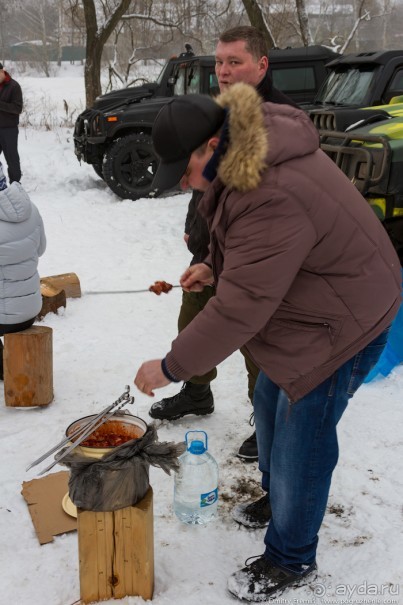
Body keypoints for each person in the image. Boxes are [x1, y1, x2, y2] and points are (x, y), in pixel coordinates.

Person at [134, 84, 401, 600]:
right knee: (269, 401)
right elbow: (261, 255)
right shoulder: (245, 160)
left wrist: (170, 366)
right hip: (313, 303)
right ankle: (279, 501)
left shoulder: (267, 189)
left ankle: (291, 558)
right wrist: (215, 265)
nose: (184, 184)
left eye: (183, 171)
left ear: (211, 146)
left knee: (304, 437)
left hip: (342, 321)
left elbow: (241, 307)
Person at [149, 26, 297, 463]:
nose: (225, 71)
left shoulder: (279, 118)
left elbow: (276, 206)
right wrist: (197, 230)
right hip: (211, 249)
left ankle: (265, 417)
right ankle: (197, 393)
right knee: (192, 320)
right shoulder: (219, 112)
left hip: (255, 256)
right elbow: (203, 181)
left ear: (262, 65)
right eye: (219, 62)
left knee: (255, 341)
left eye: (235, 62)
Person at [0, 160, 46, 379]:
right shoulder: (30, 208)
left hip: (4, 319)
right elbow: (41, 248)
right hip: (31, 309)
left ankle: (5, 369)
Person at [0, 62, 23, 184]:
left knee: (12, 158)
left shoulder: (14, 86)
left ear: (2, 71)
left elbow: (17, 108)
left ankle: (15, 184)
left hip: (9, 129)